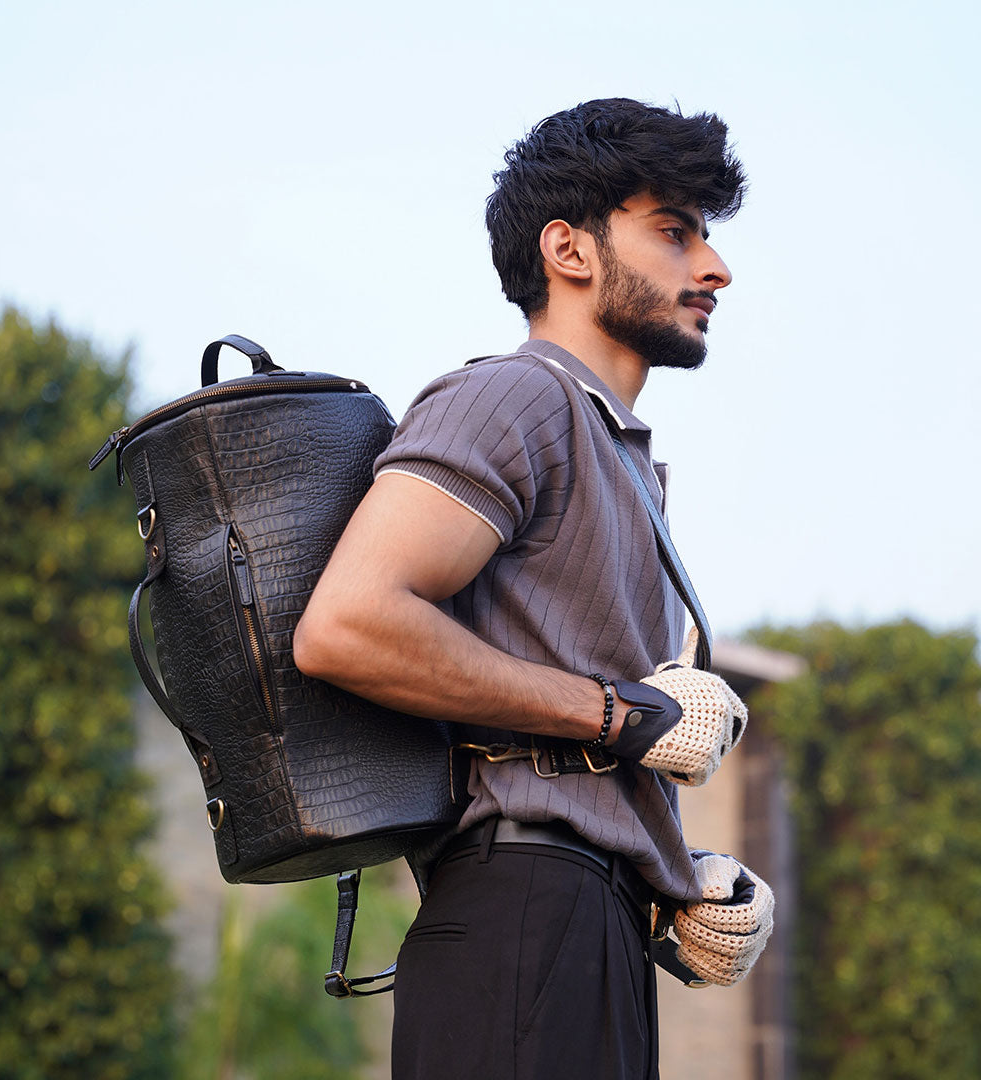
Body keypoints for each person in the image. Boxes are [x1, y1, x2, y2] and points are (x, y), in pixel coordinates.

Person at [294, 98, 773, 1080]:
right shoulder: (517, 398)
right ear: (570, 249)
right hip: (521, 921)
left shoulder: (616, 450)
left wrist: (670, 883)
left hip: (580, 932)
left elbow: (558, 749)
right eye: (674, 232)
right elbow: (348, 624)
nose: (714, 267)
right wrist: (619, 713)